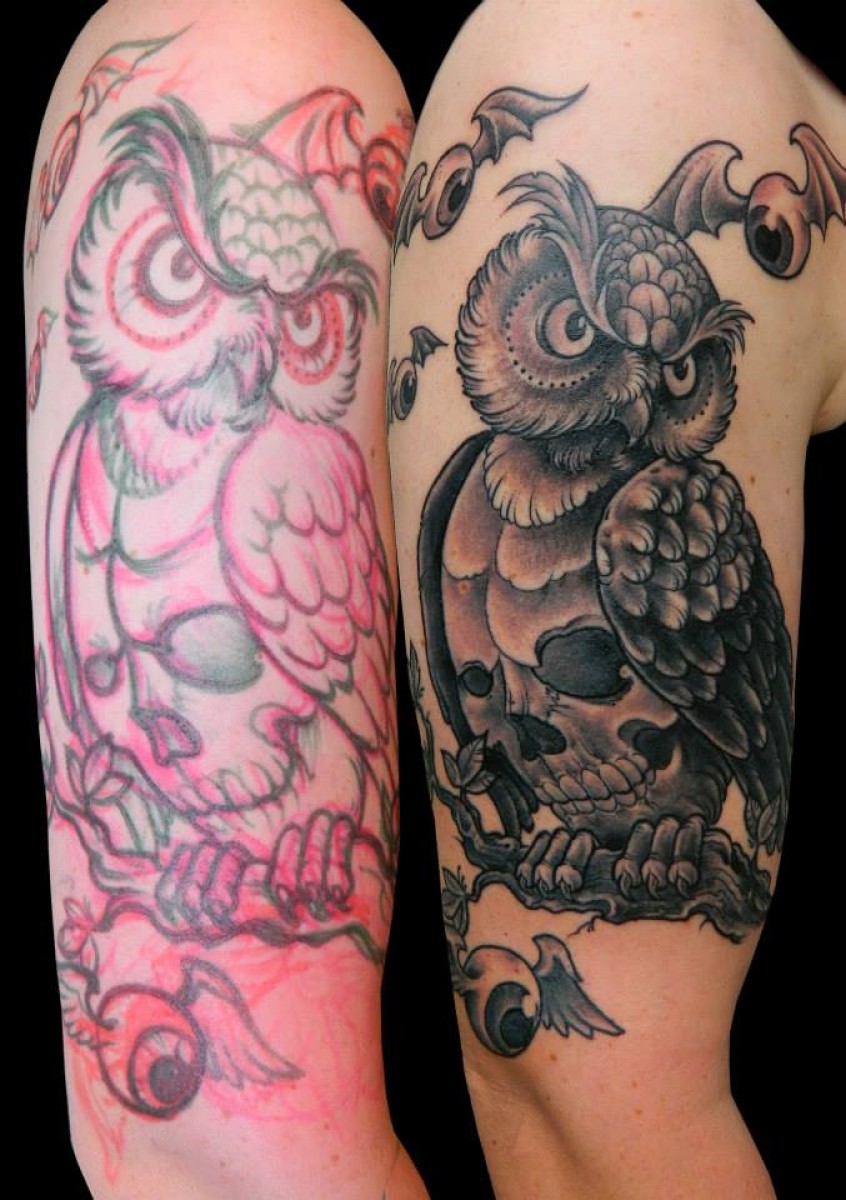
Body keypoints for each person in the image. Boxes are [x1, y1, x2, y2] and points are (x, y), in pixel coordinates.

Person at [387, 1, 845, 1197]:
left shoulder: (662, 512)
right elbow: (584, 1112)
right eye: (577, 330)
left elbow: (601, 1124)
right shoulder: (622, 57)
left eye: (677, 371)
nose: (636, 399)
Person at [24, 2, 426, 1196]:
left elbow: (247, 1159)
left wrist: (318, 827)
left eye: (296, 319)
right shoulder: (242, 60)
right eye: (185, 278)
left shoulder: (280, 467)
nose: (248, 352)